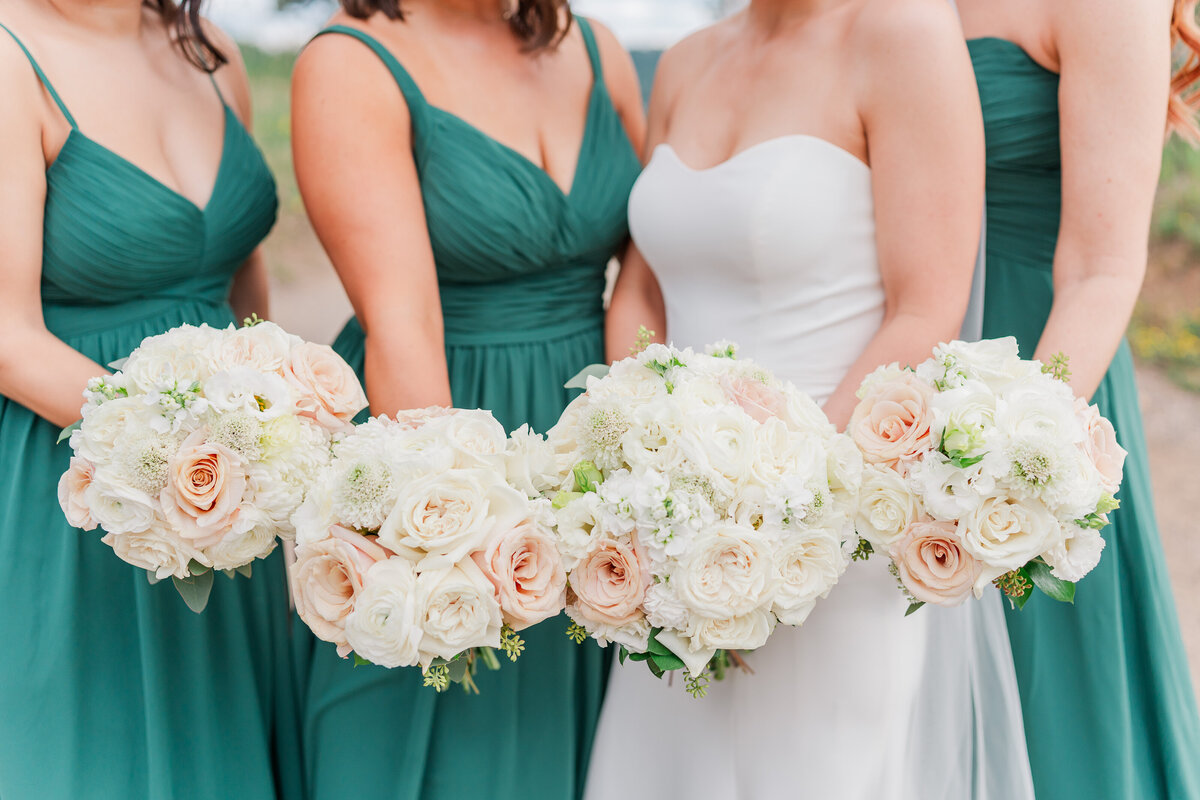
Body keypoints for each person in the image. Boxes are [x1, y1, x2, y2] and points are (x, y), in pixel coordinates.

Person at [590, 0, 1034, 797]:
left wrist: (770, 517)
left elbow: (925, 308)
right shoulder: (688, 59)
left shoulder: (904, 33)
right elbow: (642, 291)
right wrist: (647, 484)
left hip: (833, 525)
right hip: (671, 533)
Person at [290, 0, 644, 796]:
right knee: (442, 719)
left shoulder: (597, 47)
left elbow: (648, 265)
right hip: (440, 424)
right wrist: (457, 534)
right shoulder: (352, 62)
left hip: (586, 437)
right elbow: (403, 322)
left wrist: (643, 456)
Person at [0, 1, 300, 798]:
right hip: (79, 483)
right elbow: (6, 337)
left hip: (229, 499)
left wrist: (278, 433)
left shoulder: (210, 52)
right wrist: (184, 447)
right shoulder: (9, 57)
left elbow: (243, 288)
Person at [958, 0, 1200, 795]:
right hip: (888, 367)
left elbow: (1103, 269)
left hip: (1046, 369)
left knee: (1049, 699)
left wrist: (1010, 460)